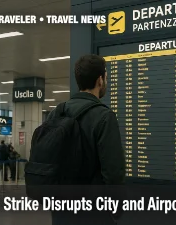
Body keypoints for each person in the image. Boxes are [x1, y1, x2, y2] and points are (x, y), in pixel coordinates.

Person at [46, 55, 125, 225]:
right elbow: (113, 172)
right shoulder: (104, 117)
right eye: (106, 77)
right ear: (100, 80)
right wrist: (116, 209)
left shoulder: (57, 113)